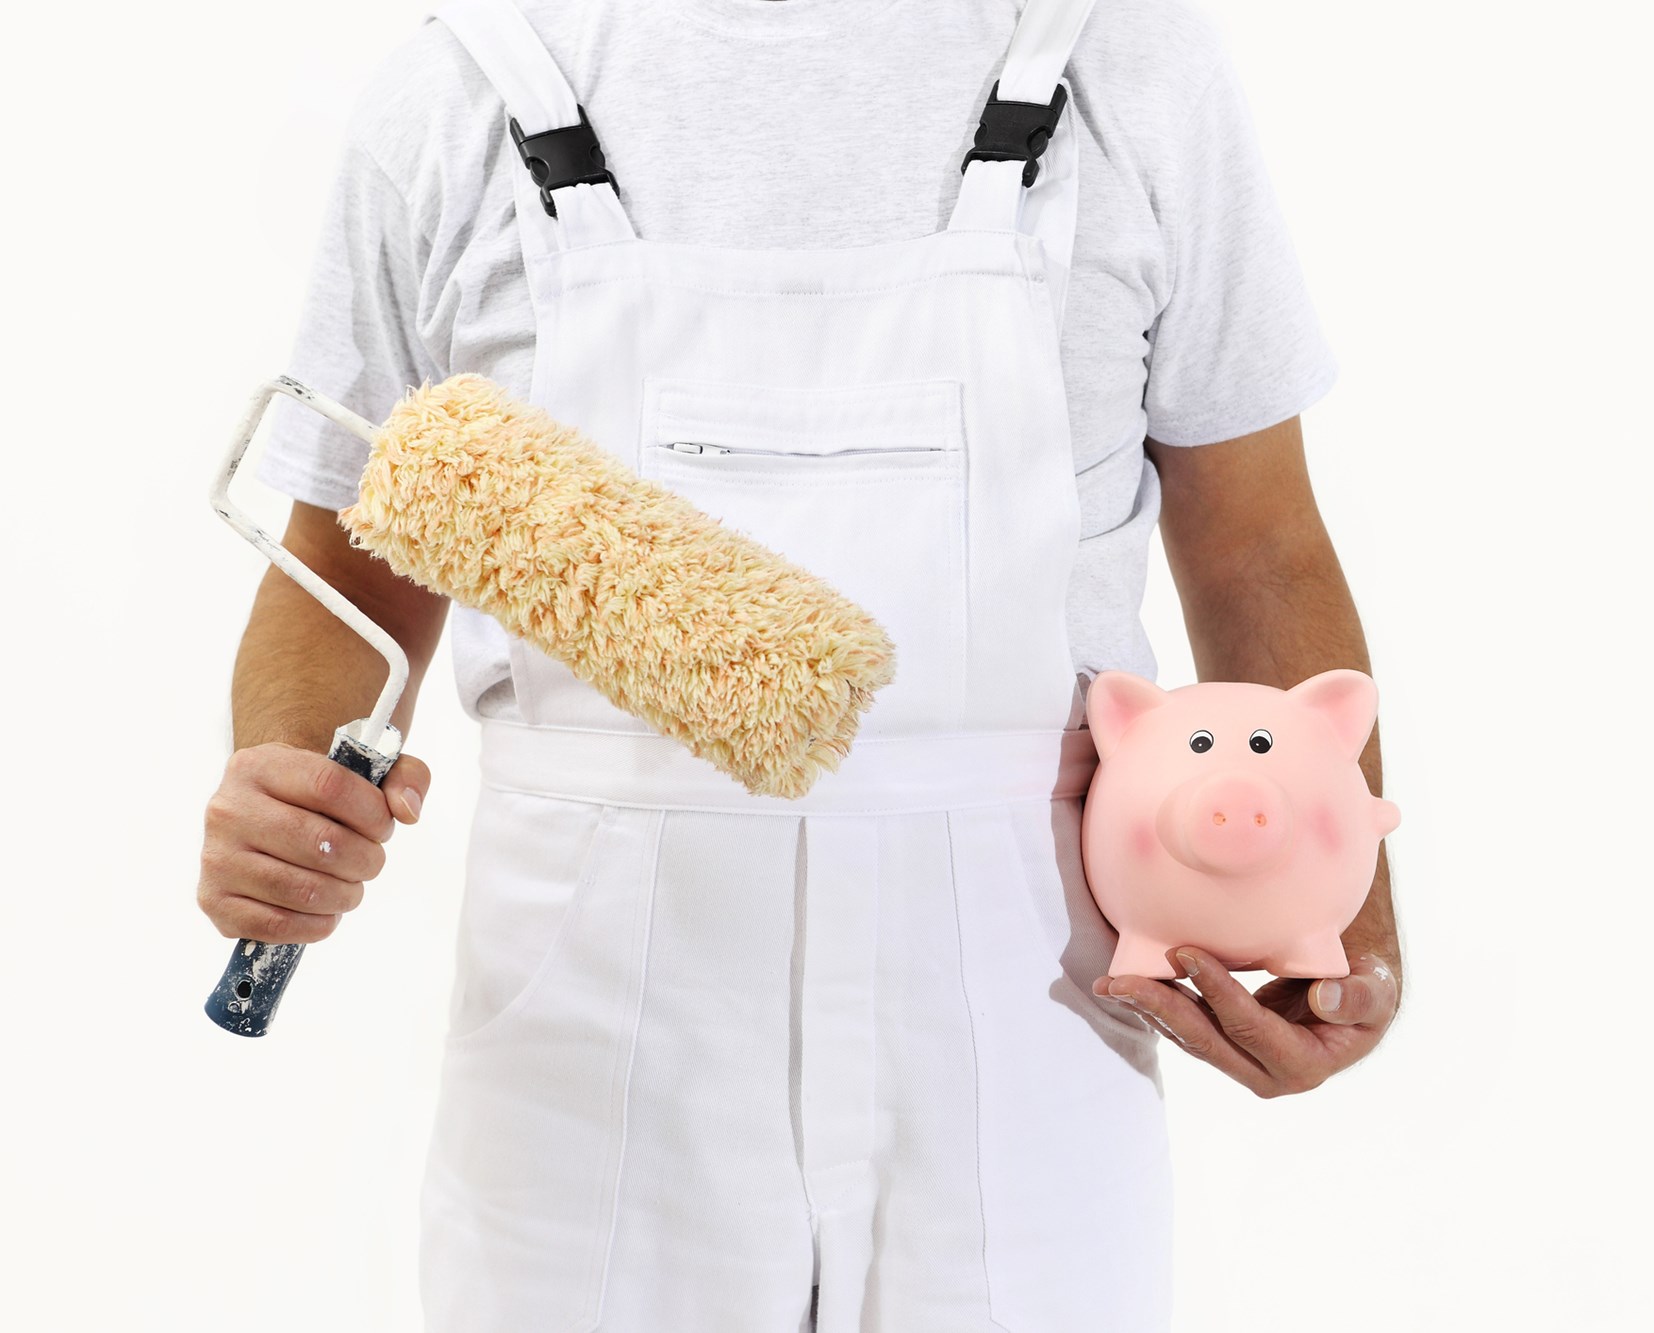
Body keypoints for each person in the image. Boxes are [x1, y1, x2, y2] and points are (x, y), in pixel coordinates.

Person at [194, 0, 1403, 1326]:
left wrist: (1344, 917)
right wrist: (282, 778)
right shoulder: (461, 91)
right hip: (588, 1014)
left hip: (1034, 984)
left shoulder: (1127, 63)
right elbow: (347, 564)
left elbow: (1256, 545)